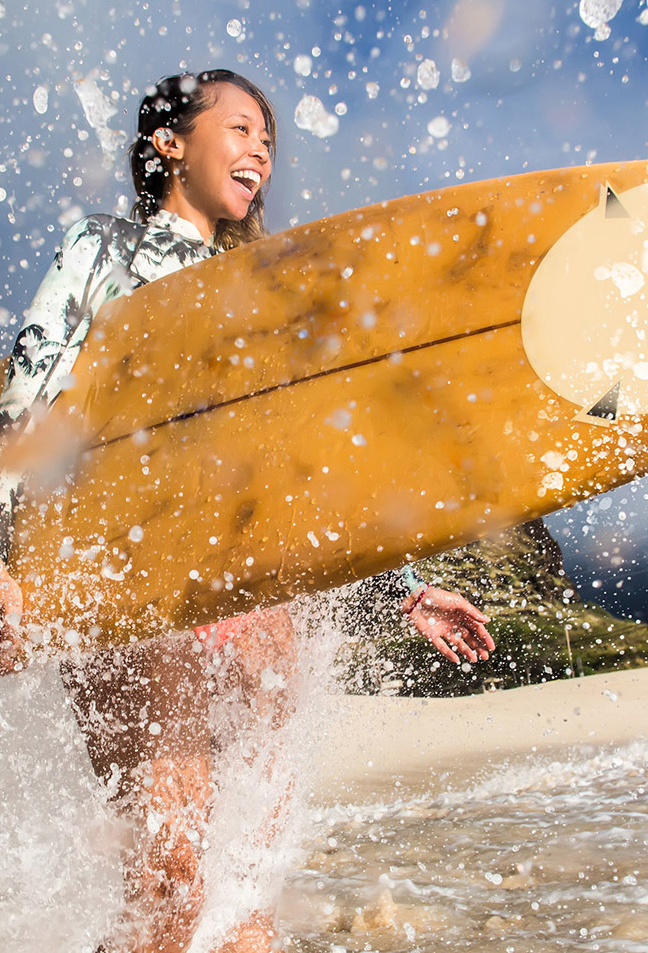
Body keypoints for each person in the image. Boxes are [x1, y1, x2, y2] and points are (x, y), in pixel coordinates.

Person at [0, 69, 495, 952]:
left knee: (244, 904)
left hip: (253, 592)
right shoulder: (103, 250)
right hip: (135, 586)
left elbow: (305, 464)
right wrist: (5, 559)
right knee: (168, 883)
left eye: (269, 136)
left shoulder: (266, 287)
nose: (261, 147)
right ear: (170, 144)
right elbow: (25, 409)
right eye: (238, 128)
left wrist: (408, 587)